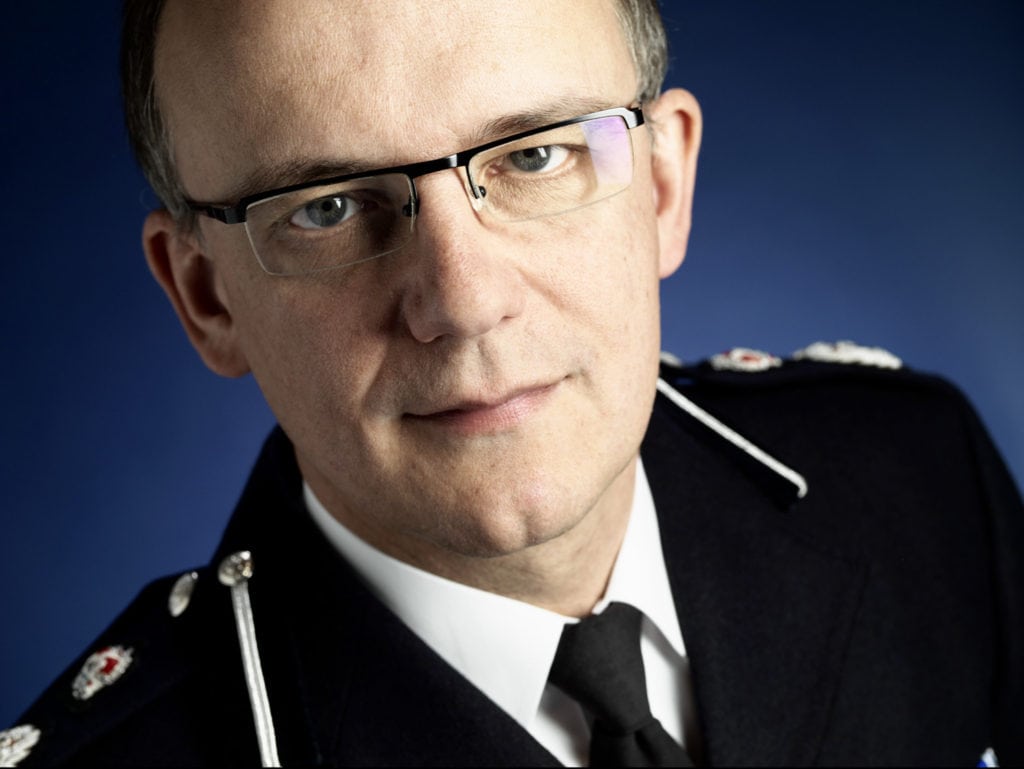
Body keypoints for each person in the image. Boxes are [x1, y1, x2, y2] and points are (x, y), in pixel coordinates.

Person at [3, 0, 1021, 766]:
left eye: (535, 154)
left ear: (661, 186)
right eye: (323, 208)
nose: (462, 298)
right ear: (205, 296)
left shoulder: (919, 480)